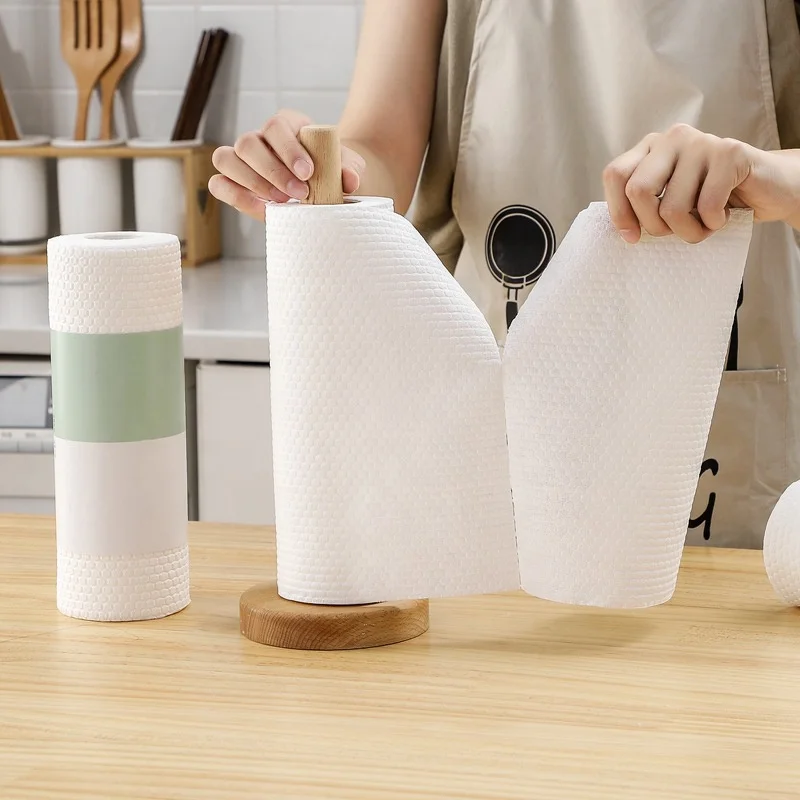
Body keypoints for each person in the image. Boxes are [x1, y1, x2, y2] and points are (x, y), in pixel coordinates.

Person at [210, 0, 800, 550]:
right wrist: (317, 174)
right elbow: (381, 147)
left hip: (731, 389)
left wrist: (760, 173)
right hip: (500, 390)